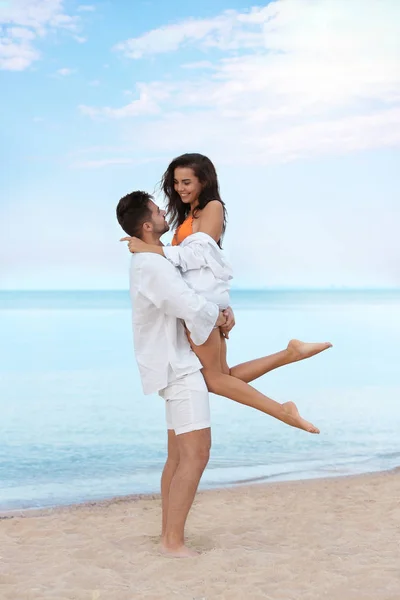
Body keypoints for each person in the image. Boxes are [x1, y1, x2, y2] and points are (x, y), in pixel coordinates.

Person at [117, 191, 325, 559]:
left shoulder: (154, 261)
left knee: (179, 457)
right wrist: (219, 315)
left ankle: (168, 535)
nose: (165, 211)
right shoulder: (151, 266)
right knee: (196, 455)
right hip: (177, 368)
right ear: (148, 225)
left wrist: (218, 314)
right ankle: (172, 542)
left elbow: (191, 299)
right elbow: (186, 303)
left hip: (178, 364)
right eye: (157, 210)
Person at [121, 154, 331, 424]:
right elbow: (198, 270)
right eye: (176, 182)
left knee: (213, 379)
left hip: (202, 304)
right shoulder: (189, 214)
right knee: (221, 375)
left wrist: (150, 248)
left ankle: (282, 410)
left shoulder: (212, 208)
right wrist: (223, 304)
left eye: (187, 182)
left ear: (204, 180)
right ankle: (289, 354)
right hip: (206, 301)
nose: (180, 188)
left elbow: (201, 257)